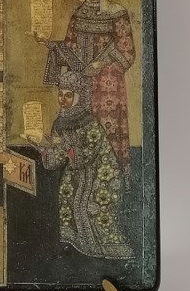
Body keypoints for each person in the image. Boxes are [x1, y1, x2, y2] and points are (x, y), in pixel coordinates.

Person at [36, 0, 135, 176]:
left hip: (107, 86)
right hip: (81, 86)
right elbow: (69, 48)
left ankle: (112, 176)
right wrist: (49, 44)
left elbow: (128, 52)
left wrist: (102, 64)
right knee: (80, 133)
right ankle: (80, 175)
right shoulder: (78, 14)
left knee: (106, 130)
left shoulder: (117, 13)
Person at [29, 71, 132, 259]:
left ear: (78, 96)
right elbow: (58, 158)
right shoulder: (59, 122)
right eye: (60, 94)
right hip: (76, 173)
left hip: (100, 172)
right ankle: (78, 249)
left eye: (68, 95)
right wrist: (42, 148)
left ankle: (107, 249)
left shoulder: (89, 121)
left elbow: (87, 154)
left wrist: (64, 145)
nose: (63, 99)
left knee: (91, 206)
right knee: (67, 195)